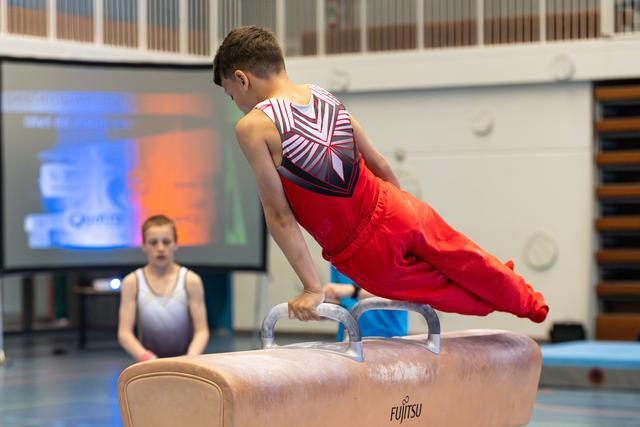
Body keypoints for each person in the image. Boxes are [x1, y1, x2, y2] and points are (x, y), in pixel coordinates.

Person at [213, 26, 548, 324]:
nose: (237, 104)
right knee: (469, 260)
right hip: (399, 206)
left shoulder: (254, 126)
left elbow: (279, 215)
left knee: (449, 294)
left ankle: (508, 304)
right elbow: (379, 163)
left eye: (232, 95)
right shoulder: (323, 95)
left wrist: (312, 287)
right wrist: (401, 214)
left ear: (242, 78)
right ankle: (527, 300)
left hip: (365, 251)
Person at [118, 215, 209, 361]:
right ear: (144, 245)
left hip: (186, 364)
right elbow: (124, 333)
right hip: (149, 365)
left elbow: (202, 331)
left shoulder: (191, 280)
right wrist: (148, 358)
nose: (160, 248)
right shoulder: (132, 282)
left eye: (166, 242)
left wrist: (190, 359)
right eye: (153, 242)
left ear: (175, 244)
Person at [325, 264, 407, 340]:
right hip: (348, 335)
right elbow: (338, 298)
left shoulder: (395, 250)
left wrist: (354, 291)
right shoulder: (335, 254)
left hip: (386, 335)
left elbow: (402, 290)